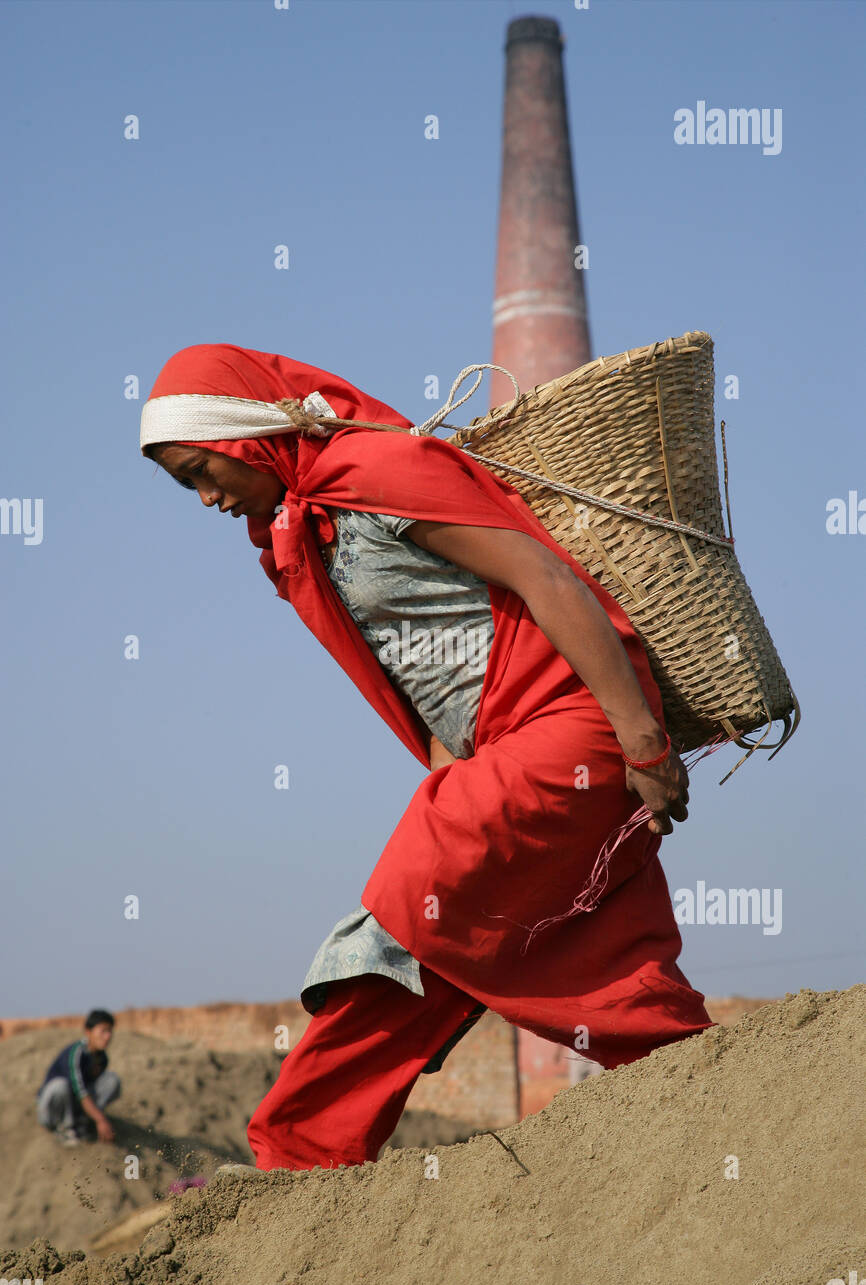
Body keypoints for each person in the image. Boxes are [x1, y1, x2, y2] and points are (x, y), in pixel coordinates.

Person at [139, 342, 714, 1173]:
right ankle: (712, 1093)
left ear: (247, 434)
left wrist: (644, 740)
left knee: (411, 912)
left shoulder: (377, 467)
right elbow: (426, 673)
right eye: (184, 485)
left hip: (573, 727)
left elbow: (547, 578)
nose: (205, 498)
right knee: (592, 953)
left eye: (203, 470)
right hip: (504, 747)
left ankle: (301, 1151)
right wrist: (455, 768)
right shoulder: (308, 525)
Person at [36, 1009, 121, 1146]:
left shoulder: (102, 1058)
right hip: (51, 1110)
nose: (108, 1036)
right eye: (103, 1031)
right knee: (60, 1086)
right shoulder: (76, 1053)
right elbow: (80, 1091)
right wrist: (101, 1120)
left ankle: (82, 1122)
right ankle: (64, 1128)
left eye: (110, 1031)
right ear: (88, 1032)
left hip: (75, 1105)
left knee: (112, 1081)